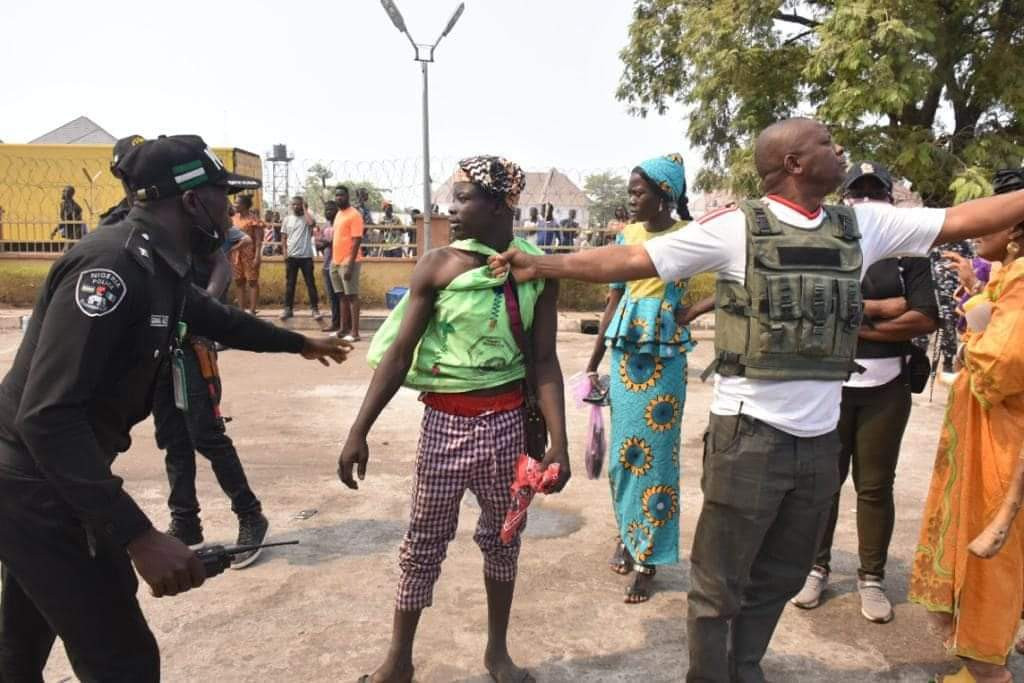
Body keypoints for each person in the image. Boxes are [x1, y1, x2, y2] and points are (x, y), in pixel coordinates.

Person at [489, 117, 1024, 681]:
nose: (837, 149)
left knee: (782, 575)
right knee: (718, 583)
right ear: (794, 163)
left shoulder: (863, 225)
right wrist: (542, 263)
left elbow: (967, 218)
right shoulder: (736, 228)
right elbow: (632, 261)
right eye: (824, 142)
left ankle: (744, 667)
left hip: (819, 442)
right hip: (749, 436)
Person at [0, 134, 348, 682]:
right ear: (190, 201)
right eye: (219, 196)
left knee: (17, 651)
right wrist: (138, 536)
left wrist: (299, 343)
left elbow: (214, 318)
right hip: (35, 487)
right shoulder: (111, 267)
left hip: (45, 478)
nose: (229, 210)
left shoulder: (156, 266)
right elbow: (46, 416)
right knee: (124, 661)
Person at [338, 155, 568, 683]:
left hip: (510, 425)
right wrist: (359, 431)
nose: (452, 208)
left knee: (504, 539)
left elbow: (544, 359)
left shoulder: (535, 271)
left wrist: (558, 442)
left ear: (498, 204)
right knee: (422, 542)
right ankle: (398, 660)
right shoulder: (438, 265)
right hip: (444, 425)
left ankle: (497, 654)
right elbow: (398, 355)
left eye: (464, 198)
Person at [791, 161, 939, 623]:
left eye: (876, 193)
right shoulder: (830, 247)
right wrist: (881, 310)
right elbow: (811, 310)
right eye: (859, 193)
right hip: (830, 387)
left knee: (875, 486)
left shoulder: (909, 254)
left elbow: (924, 317)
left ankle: (871, 577)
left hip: (886, 387)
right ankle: (815, 568)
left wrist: (854, 323)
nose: (867, 201)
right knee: (824, 484)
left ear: (890, 201)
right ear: (845, 199)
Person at [909, 167, 1024, 683]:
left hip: (1004, 440)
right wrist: (982, 291)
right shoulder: (1008, 275)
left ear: (1016, 230)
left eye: (990, 221)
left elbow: (1000, 365)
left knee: (993, 560)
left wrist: (977, 304)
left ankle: (991, 673)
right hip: (984, 433)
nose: (978, 232)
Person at [584, 153, 710, 604]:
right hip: (623, 355)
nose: (631, 199)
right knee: (623, 455)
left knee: (654, 458)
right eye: (631, 191)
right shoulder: (627, 235)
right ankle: (628, 533)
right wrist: (592, 362)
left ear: (665, 196)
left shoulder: (690, 237)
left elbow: (739, 277)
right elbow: (613, 302)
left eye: (639, 192)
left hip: (664, 360)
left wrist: (693, 311)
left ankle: (648, 558)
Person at [280, 195, 322, 321]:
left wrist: (305, 209)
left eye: (298, 204)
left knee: (310, 284)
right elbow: (283, 237)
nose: (295, 206)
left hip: (306, 257)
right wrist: (284, 253)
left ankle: (315, 309)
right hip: (292, 257)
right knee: (290, 284)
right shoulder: (287, 219)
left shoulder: (306, 218)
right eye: (293, 204)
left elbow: (312, 224)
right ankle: (288, 309)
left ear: (303, 205)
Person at [330, 185, 364, 342]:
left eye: (342, 195)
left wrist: (350, 264)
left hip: (349, 261)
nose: (339, 198)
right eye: (337, 195)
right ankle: (343, 329)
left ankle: (355, 332)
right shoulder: (338, 214)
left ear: (347, 196)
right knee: (341, 296)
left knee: (352, 296)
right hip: (336, 261)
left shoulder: (354, 215)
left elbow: (357, 239)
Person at [231, 194, 264, 314]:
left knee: (252, 281)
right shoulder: (233, 218)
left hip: (250, 254)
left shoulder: (254, 220)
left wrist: (257, 256)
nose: (234, 205)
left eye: (237, 203)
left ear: (244, 205)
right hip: (235, 254)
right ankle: (241, 310)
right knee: (239, 281)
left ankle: (252, 310)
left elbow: (259, 240)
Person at [316, 200, 342, 332]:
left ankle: (343, 323)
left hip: (339, 264)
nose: (328, 213)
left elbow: (336, 242)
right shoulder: (325, 226)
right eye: (326, 210)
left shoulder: (339, 225)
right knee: (331, 297)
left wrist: (326, 243)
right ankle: (335, 322)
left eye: (331, 210)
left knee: (341, 296)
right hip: (326, 264)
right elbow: (318, 244)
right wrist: (326, 242)